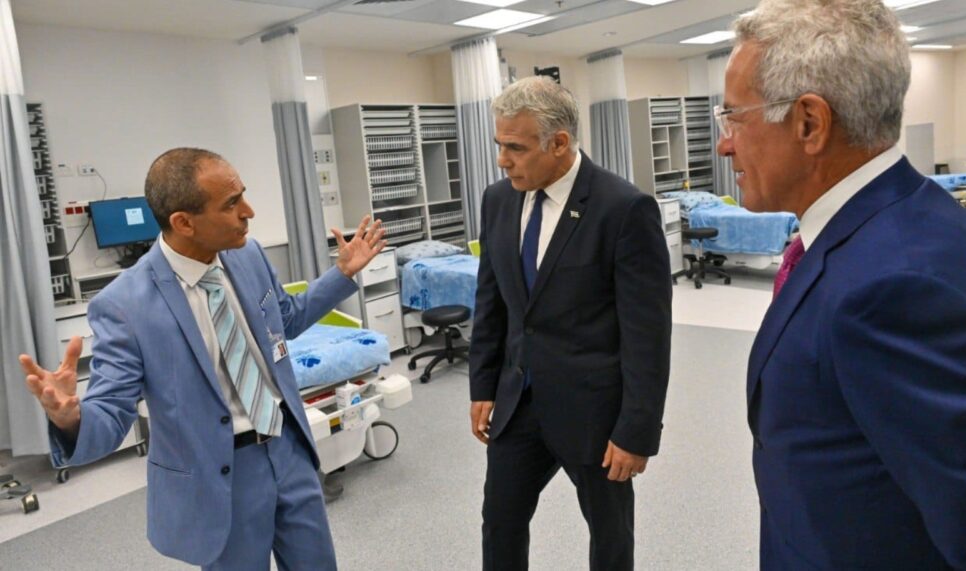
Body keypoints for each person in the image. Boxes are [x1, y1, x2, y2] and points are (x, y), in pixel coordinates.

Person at [719, 1, 966, 568]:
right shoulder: (898, 221)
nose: (725, 145)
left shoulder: (892, 286)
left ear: (809, 123)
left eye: (734, 119)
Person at [19, 148, 386, 570]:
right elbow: (112, 409)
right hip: (220, 477)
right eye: (231, 204)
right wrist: (70, 419)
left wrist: (342, 274)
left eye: (242, 195)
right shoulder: (124, 305)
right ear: (183, 222)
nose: (248, 212)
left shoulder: (248, 255)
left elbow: (284, 320)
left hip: (288, 449)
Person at [469, 76, 672, 571]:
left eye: (515, 148)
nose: (502, 160)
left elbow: (647, 334)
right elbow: (492, 301)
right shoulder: (498, 200)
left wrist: (637, 430)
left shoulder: (623, 208)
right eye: (499, 145)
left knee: (609, 536)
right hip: (518, 403)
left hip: (594, 413)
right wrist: (483, 385)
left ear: (559, 143)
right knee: (500, 522)